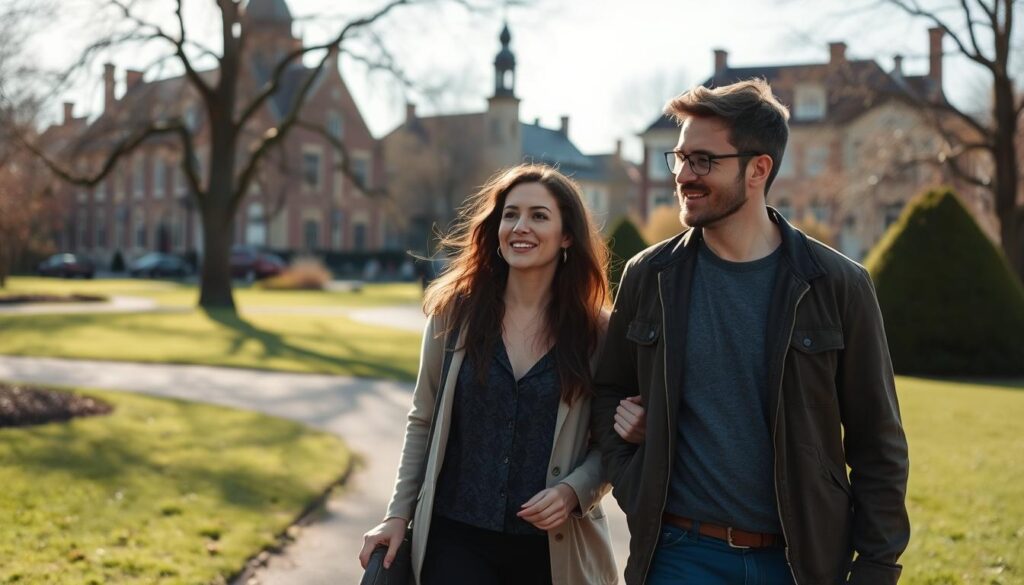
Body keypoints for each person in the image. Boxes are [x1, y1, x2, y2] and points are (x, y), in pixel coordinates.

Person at [591, 79, 910, 585]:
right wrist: (633, 473)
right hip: (677, 555)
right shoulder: (648, 276)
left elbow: (878, 443)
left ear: (758, 169)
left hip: (799, 561)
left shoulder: (839, 285)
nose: (683, 176)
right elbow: (608, 389)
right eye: (679, 158)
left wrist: (875, 568)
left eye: (703, 161)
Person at [360, 164, 636, 585]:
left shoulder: (598, 332)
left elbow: (610, 440)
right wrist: (397, 514)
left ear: (566, 236)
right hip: (455, 543)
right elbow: (423, 420)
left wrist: (574, 491)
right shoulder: (454, 314)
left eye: (539, 216)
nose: (520, 226)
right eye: (510, 214)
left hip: (551, 551)